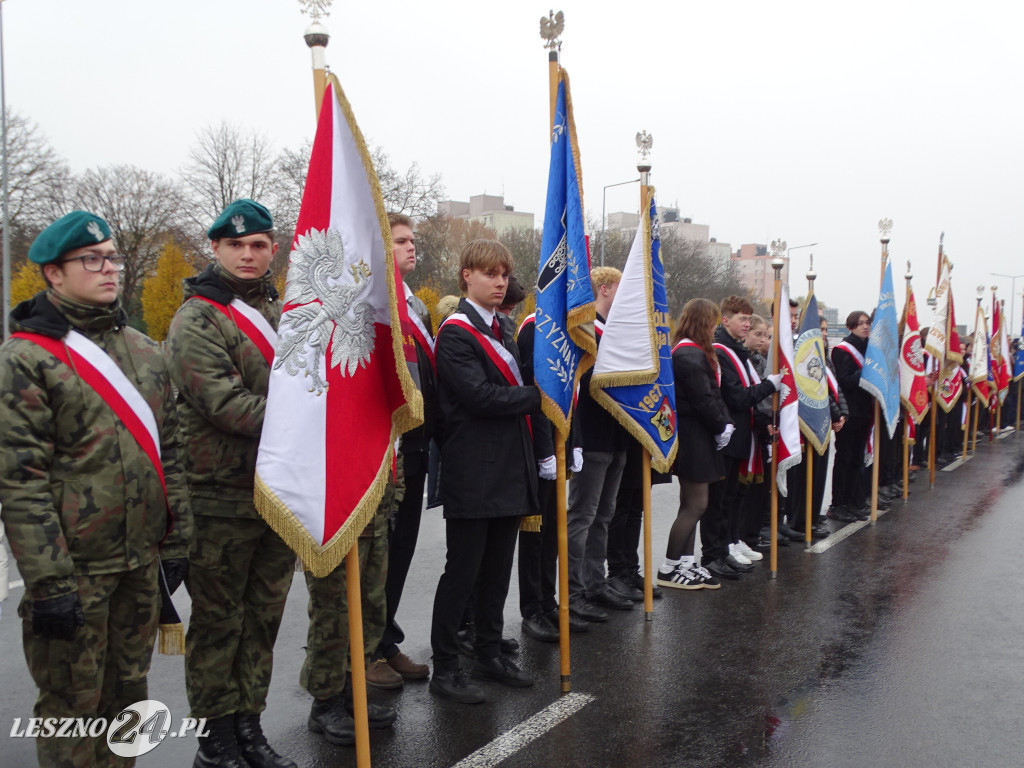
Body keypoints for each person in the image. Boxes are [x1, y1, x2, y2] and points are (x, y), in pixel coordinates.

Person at [0, 210, 191, 768]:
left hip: (138, 563)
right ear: (53, 274)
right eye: (91, 259)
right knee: (71, 709)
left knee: (129, 698)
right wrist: (48, 581)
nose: (107, 268)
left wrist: (176, 541)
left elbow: (169, 453)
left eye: (111, 257)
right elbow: (20, 479)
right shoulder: (27, 358)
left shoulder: (144, 350)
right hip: (75, 571)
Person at [167, 199, 296, 768]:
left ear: (272, 249)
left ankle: (249, 728)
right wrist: (307, 422)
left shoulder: (283, 313)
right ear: (215, 249)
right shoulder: (197, 317)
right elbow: (224, 404)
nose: (248, 255)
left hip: (276, 494)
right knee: (219, 626)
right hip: (218, 497)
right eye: (235, 246)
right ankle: (215, 740)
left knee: (262, 622)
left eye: (259, 245)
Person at [429, 240, 540, 704]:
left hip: (509, 469)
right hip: (473, 471)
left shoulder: (503, 326)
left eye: (503, 274)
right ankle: (447, 666)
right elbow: (480, 398)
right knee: (464, 573)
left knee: (496, 571)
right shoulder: (456, 333)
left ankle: (489, 653)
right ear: (466, 276)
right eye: (489, 273)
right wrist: (539, 396)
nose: (499, 282)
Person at [368, 213, 436, 689]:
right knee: (378, 554)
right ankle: (364, 648)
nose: (410, 248)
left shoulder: (417, 306)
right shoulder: (373, 304)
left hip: (414, 449)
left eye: (413, 241)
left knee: (401, 552)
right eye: (400, 241)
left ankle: (384, 638)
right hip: (381, 452)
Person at [566, 267, 634, 623]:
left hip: (617, 435)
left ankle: (596, 581)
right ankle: (573, 589)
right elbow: (585, 378)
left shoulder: (619, 331)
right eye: (621, 289)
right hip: (591, 435)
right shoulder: (586, 329)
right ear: (604, 289)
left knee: (604, 514)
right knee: (582, 515)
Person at [657, 299, 733, 590]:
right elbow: (704, 398)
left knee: (690, 504)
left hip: (695, 433)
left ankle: (685, 563)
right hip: (693, 435)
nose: (714, 329)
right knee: (697, 504)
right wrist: (721, 424)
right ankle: (668, 567)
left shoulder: (690, 351)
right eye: (712, 323)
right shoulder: (688, 354)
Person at [705, 297, 781, 579]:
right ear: (725, 320)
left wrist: (764, 421)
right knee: (721, 500)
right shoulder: (722, 351)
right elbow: (737, 397)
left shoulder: (738, 352)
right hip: (728, 437)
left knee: (735, 496)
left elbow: (748, 399)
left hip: (744, 435)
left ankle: (730, 542)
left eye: (750, 319)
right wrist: (768, 386)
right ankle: (717, 551)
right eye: (742, 319)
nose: (747, 324)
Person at [829, 311, 875, 522]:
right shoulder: (842, 350)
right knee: (845, 458)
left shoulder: (871, 348)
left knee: (858, 458)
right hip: (850, 411)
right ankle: (839, 503)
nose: (865, 327)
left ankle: (855, 500)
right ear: (850, 327)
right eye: (860, 324)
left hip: (866, 410)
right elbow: (845, 381)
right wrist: (868, 368)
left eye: (867, 323)